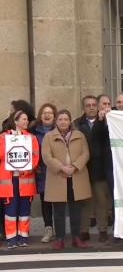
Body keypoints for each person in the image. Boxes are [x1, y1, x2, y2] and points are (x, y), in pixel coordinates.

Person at [43, 109, 91, 250]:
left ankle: (76, 238)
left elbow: (86, 153)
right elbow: (46, 156)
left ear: (70, 121)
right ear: (56, 121)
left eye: (65, 119)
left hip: (76, 177)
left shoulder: (79, 135)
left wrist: (74, 167)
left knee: (76, 210)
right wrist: (62, 168)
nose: (63, 122)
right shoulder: (48, 137)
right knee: (58, 211)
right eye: (60, 119)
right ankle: (60, 238)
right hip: (58, 177)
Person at [74, 96, 112, 243]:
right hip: (84, 168)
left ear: (98, 107)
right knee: (85, 203)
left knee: (102, 201)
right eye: (88, 105)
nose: (91, 107)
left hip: (101, 167)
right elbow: (82, 140)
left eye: (94, 105)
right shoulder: (77, 124)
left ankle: (102, 230)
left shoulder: (105, 122)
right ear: (83, 108)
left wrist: (103, 121)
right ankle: (84, 231)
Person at [0, 111, 39, 248]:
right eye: (24, 119)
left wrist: (26, 170)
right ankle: (11, 239)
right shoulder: (3, 137)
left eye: (27, 119)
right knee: (10, 211)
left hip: (25, 180)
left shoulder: (31, 138)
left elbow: (35, 158)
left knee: (24, 210)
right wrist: (10, 143)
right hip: (8, 182)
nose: (26, 121)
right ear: (15, 121)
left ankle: (23, 237)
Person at [30, 103, 57, 243]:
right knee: (45, 201)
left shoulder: (60, 129)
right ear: (40, 115)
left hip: (57, 171)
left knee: (58, 201)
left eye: (50, 113)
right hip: (41, 171)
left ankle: (60, 230)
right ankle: (48, 228)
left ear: (54, 116)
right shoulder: (33, 131)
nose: (47, 115)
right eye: (44, 112)